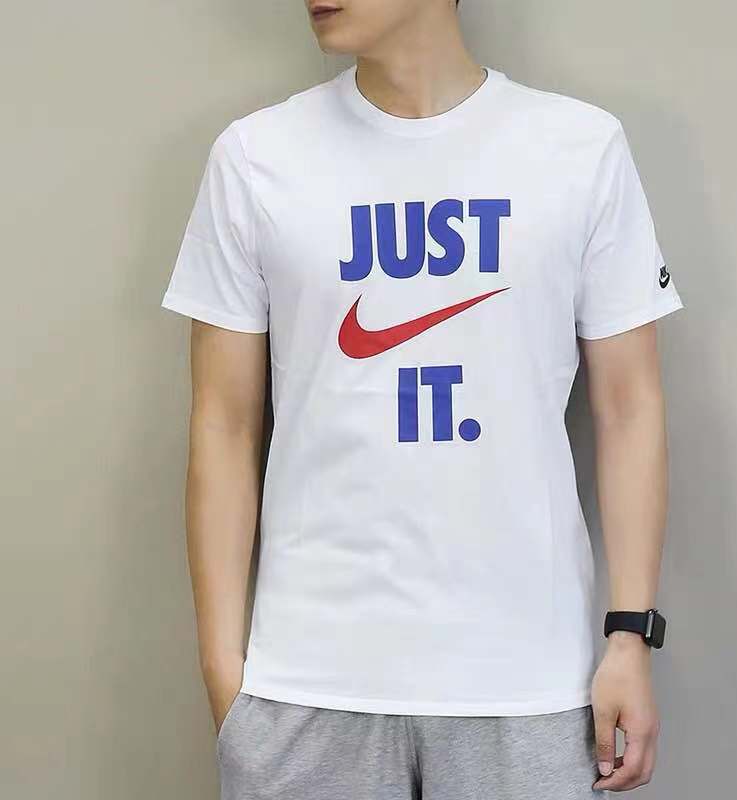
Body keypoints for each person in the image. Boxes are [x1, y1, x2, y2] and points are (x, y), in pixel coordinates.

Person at [160, 1, 683, 797]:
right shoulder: (256, 158)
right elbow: (223, 426)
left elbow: (630, 407)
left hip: (527, 683)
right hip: (304, 685)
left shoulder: (579, 149)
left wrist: (629, 636)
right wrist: (224, 676)